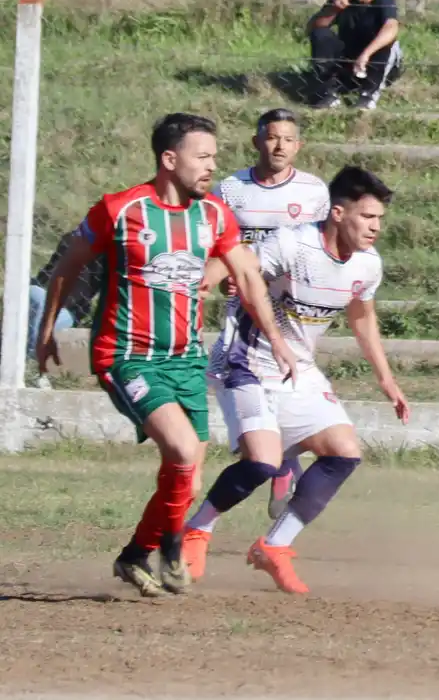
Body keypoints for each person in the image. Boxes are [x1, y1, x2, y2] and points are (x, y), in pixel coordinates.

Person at [34, 112, 296, 598]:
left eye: (215, 157)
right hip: (126, 355)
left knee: (187, 478)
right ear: (169, 159)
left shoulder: (214, 216)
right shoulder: (120, 209)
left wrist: (278, 341)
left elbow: (248, 277)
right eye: (203, 157)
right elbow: (67, 269)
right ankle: (172, 548)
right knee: (180, 450)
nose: (212, 166)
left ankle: (135, 555)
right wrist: (45, 332)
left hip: (186, 360)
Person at [184, 165, 409, 595]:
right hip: (246, 362)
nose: (375, 227)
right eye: (367, 217)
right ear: (338, 214)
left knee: (344, 453)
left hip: (298, 369)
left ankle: (274, 545)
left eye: (379, 218)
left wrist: (386, 379)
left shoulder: (367, 264)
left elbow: (362, 317)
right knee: (263, 463)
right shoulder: (293, 243)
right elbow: (239, 262)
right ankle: (197, 530)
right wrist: (204, 285)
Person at [212, 108, 332, 519]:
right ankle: (280, 464)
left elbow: (320, 249)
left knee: (286, 386)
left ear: (298, 145)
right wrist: (230, 273)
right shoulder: (231, 189)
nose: (279, 145)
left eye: (287, 139)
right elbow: (216, 241)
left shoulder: (314, 192)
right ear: (256, 141)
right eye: (271, 137)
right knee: (248, 382)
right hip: (241, 307)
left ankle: (283, 463)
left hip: (291, 312)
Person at [307, 0, 403, 110]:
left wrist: (365, 54)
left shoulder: (384, 1)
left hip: (375, 62)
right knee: (321, 34)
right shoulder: (341, 0)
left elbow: (391, 28)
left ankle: (369, 94)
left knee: (385, 40)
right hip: (349, 60)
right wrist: (334, 10)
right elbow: (313, 27)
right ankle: (328, 91)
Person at [28, 230, 104, 358]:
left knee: (38, 302)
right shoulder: (74, 237)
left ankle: (25, 360)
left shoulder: (108, 253)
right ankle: (26, 360)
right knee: (36, 297)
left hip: (66, 310)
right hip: (44, 296)